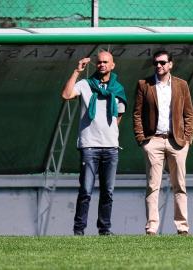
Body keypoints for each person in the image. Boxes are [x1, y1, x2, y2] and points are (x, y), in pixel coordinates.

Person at [61, 51, 127, 236]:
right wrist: (77, 71)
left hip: (111, 147)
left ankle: (104, 229)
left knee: (108, 192)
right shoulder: (84, 84)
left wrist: (109, 132)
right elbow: (66, 95)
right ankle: (79, 229)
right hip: (89, 145)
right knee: (86, 191)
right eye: (99, 62)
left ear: (113, 65)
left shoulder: (118, 89)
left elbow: (119, 115)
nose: (102, 65)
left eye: (106, 62)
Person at [133, 50, 193, 236]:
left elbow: (189, 114)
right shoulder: (144, 84)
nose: (158, 66)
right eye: (156, 63)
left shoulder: (181, 85)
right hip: (154, 141)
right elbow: (137, 113)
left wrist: (187, 139)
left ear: (170, 64)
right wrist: (142, 139)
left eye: (162, 63)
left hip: (177, 142)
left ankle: (182, 227)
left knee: (179, 185)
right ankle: (152, 228)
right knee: (153, 185)